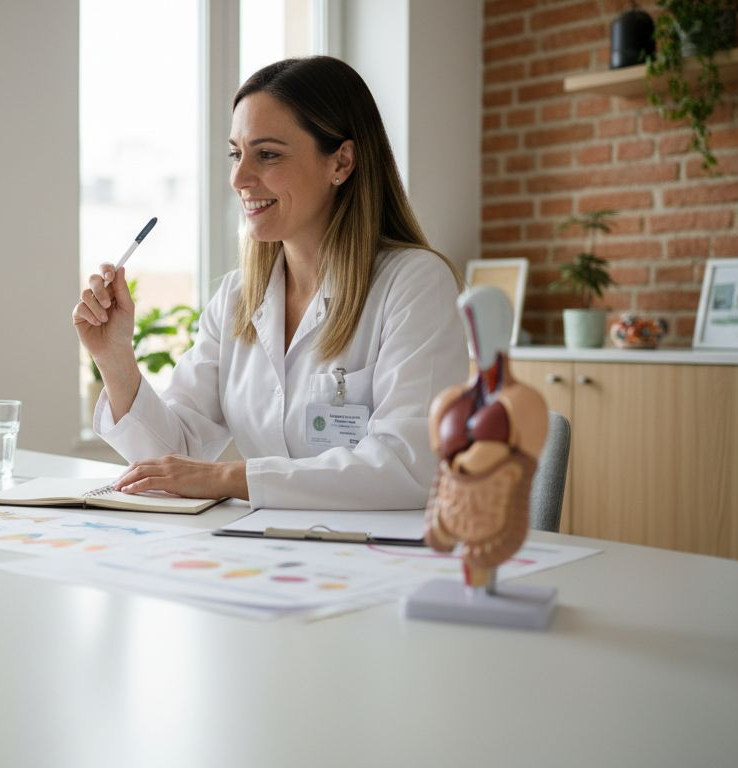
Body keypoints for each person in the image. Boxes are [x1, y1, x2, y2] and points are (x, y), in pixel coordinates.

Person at [72, 56, 468, 510]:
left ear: (341, 161)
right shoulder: (238, 298)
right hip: (271, 554)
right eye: (236, 154)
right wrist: (114, 357)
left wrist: (228, 477)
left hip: (381, 559)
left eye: (267, 154)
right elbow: (172, 461)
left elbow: (409, 466)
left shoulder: (416, 284)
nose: (239, 178)